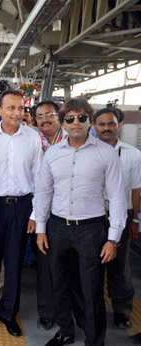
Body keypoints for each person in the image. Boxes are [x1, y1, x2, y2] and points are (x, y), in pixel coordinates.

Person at [36, 99, 127, 346]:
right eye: (70, 118)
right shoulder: (52, 154)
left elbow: (118, 196)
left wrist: (113, 238)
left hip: (92, 229)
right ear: (62, 122)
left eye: (81, 118)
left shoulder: (106, 153)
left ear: (89, 121)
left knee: (92, 287)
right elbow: (43, 192)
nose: (76, 123)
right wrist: (41, 229)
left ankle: (94, 339)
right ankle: (66, 330)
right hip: (58, 226)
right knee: (60, 284)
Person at [0, 89, 43, 337]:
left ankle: (8, 314)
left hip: (22, 206)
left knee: (15, 263)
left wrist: (35, 213)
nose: (17, 113)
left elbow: (39, 178)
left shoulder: (33, 138)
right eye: (11, 108)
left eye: (21, 108)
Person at [94, 107, 141, 330]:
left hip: (121, 217)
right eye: (101, 124)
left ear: (119, 125)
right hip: (92, 218)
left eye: (111, 123)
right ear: (94, 126)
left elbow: (136, 190)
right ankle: (90, 308)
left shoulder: (132, 154)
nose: (106, 128)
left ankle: (121, 310)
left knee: (119, 266)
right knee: (90, 264)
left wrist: (135, 220)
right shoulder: (87, 152)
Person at [33, 100, 68, 331]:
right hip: (43, 213)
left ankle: (69, 311)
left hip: (70, 212)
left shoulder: (73, 138)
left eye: (49, 114)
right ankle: (47, 312)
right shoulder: (33, 141)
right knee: (45, 266)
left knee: (69, 267)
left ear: (59, 116)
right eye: (39, 116)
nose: (45, 120)